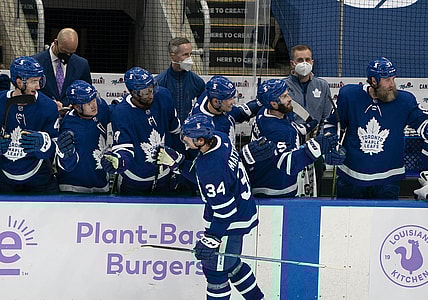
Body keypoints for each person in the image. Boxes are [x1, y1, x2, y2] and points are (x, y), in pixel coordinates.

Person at [156, 113, 265, 300]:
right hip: (243, 211)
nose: (183, 139)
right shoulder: (220, 139)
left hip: (231, 222)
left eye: (188, 137)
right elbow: (202, 173)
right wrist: (179, 164)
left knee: (215, 271)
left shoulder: (212, 168)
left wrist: (212, 238)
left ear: (200, 140)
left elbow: (225, 211)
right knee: (231, 265)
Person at [324, 57, 428, 199]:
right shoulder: (350, 96)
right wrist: (331, 146)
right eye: (387, 80)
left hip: (388, 180)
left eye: (393, 78)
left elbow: (423, 123)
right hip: (351, 178)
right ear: (373, 80)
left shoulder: (405, 101)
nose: (392, 84)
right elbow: (331, 125)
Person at [249, 79, 343, 198]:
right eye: (284, 96)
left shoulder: (269, 111)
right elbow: (288, 164)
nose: (289, 98)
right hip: (273, 190)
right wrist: (316, 147)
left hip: (265, 177)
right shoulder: (275, 130)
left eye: (287, 93)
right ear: (273, 103)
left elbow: (291, 128)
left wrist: (307, 127)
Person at [100, 67, 182, 195]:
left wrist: (179, 164)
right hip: (135, 179)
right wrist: (120, 160)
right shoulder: (121, 112)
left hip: (165, 175)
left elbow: (176, 132)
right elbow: (125, 147)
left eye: (151, 89)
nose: (151, 95)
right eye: (145, 92)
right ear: (133, 92)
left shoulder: (164, 96)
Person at [0, 56, 59, 193]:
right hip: (4, 177)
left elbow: (56, 146)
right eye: (33, 82)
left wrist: (46, 143)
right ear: (19, 82)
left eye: (38, 81)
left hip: (39, 177)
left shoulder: (48, 106)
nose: (38, 86)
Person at [284, 44, 333, 196]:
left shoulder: (322, 85)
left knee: (315, 185)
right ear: (293, 63)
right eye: (300, 60)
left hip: (315, 143)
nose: (304, 63)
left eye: (307, 59)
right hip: (290, 144)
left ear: (312, 62)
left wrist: (323, 140)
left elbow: (327, 117)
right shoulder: (283, 86)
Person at [55, 80, 111, 193]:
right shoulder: (68, 126)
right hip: (73, 187)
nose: (94, 105)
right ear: (77, 107)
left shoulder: (102, 107)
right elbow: (66, 164)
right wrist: (67, 155)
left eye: (94, 100)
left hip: (100, 182)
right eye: (88, 103)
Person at [191, 75, 262, 147]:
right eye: (230, 99)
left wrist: (262, 102)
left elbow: (216, 79)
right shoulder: (210, 130)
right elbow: (224, 156)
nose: (234, 102)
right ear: (216, 102)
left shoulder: (211, 95)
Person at [33, 28, 92, 111]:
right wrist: (49, 104)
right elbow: (30, 92)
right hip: (43, 115)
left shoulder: (82, 65)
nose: (67, 55)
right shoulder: (36, 63)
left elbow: (87, 92)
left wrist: (76, 104)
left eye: (71, 53)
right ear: (56, 42)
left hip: (71, 119)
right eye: (64, 51)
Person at [155, 37, 205, 123]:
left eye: (190, 54)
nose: (189, 58)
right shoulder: (159, 83)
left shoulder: (198, 82)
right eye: (185, 55)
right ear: (173, 55)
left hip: (191, 132)